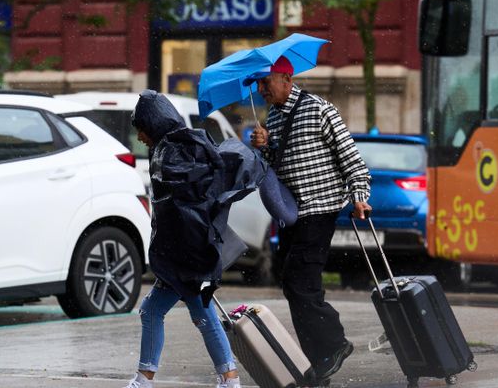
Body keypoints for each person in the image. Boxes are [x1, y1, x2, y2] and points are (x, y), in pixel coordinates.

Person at [250, 56, 372, 385]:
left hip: (319, 209)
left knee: (298, 281)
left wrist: (360, 195)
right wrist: (263, 147)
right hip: (292, 214)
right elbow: (275, 166)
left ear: (287, 80)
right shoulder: (272, 117)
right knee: (297, 286)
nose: (261, 89)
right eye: (258, 84)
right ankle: (320, 363)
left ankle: (335, 343)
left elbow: (352, 158)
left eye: (266, 82)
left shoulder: (319, 109)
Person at [124, 90, 243, 388]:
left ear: (153, 124)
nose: (139, 136)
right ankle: (227, 377)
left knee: (174, 311)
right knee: (192, 312)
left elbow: (182, 206)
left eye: (142, 128)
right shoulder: (177, 146)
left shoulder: (176, 150)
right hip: (187, 251)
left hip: (186, 254)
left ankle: (147, 379)